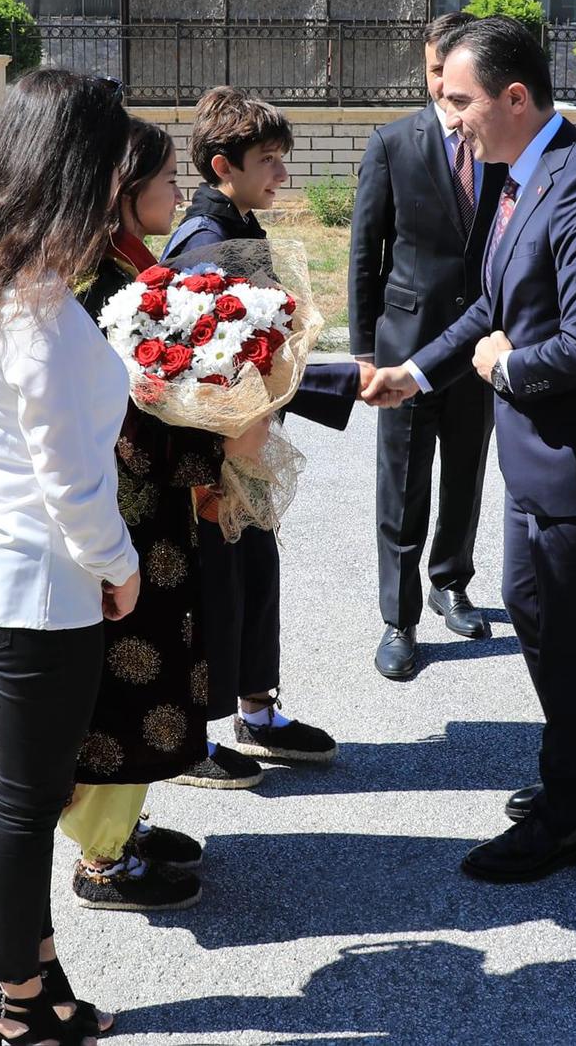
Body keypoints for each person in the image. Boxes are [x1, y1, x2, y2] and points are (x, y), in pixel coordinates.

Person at [364, 18, 576, 884]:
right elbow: (490, 305)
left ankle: (567, 815)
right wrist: (417, 374)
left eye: (460, 99)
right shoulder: (518, 174)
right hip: (545, 457)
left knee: (564, 627)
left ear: (515, 97)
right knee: (545, 612)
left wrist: (505, 370)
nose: (449, 113)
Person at [0, 68, 135, 1045]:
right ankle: (12, 1003)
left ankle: (34, 972)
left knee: (32, 790)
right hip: (37, 591)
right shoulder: (40, 314)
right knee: (26, 802)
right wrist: (119, 566)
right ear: (76, 172)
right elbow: (70, 485)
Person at [61, 117, 268, 911]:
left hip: (157, 522)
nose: (179, 192)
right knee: (127, 685)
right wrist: (214, 440)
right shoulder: (101, 283)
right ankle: (101, 859)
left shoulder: (128, 265)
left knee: (155, 677)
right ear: (123, 192)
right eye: (164, 178)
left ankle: (123, 826)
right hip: (128, 526)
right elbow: (123, 423)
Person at [160, 87, 370, 791]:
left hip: (244, 446)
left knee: (254, 575)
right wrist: (347, 382)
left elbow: (266, 353)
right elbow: (217, 369)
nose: (283, 174)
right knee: (211, 591)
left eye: (283, 158)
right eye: (269, 160)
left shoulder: (238, 227)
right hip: (213, 456)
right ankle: (189, 737)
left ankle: (258, 711)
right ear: (224, 165)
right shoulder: (204, 243)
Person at [348, 10, 506, 681]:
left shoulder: (498, 144)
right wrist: (363, 351)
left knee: (466, 473)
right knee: (404, 484)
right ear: (427, 64)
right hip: (405, 342)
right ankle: (400, 617)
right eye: (437, 68)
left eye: (458, 72)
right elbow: (365, 253)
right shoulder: (392, 144)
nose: (445, 84)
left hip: (479, 346)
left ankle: (451, 582)